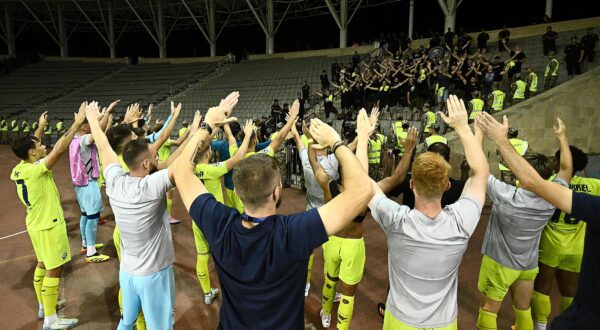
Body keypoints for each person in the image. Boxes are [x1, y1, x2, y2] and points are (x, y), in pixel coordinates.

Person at [172, 92, 373, 329]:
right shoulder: (295, 231)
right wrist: (337, 142)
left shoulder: (219, 224)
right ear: (277, 192)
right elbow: (362, 190)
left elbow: (181, 171)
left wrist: (206, 125)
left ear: (237, 192)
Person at [368, 95, 489, 329]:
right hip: (443, 323)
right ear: (446, 185)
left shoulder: (396, 220)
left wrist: (363, 137)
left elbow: (364, 185)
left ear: (413, 185)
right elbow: (480, 173)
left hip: (400, 320)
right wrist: (464, 128)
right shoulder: (461, 221)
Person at [476, 112, 600, 330]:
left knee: (488, 310)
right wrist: (562, 137)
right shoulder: (552, 197)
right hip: (528, 264)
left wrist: (479, 135)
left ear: (522, 173)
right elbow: (566, 169)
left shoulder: (507, 195)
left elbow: (478, 169)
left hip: (499, 263)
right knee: (523, 310)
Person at [87, 100, 187, 330]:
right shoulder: (149, 186)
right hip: (151, 270)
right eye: (132, 137)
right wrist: (203, 130)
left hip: (128, 263)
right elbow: (175, 165)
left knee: (127, 320)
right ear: (144, 162)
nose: (137, 137)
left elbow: (103, 146)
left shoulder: (114, 176)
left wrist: (93, 120)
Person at [10, 108, 87, 330]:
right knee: (56, 268)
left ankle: (44, 306)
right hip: (49, 225)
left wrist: (41, 127)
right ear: (32, 153)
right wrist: (76, 124)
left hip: (35, 224)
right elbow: (60, 150)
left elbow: (32, 146)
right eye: (40, 146)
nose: (44, 146)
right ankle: (51, 321)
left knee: (43, 264)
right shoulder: (36, 171)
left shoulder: (20, 168)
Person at [313, 109, 376, 330]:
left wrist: (312, 150)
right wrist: (363, 137)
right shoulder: (363, 193)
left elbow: (316, 168)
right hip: (353, 245)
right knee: (348, 293)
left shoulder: (330, 187)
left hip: (331, 241)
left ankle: (326, 314)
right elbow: (362, 173)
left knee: (329, 280)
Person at [532, 146, 600, 330]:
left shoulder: (551, 184)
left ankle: (539, 327)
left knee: (542, 287)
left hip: (550, 245)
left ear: (559, 163)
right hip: (576, 250)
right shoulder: (595, 185)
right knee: (571, 293)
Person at [193, 120, 254, 305]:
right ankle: (236, 289)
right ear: (208, 153)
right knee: (225, 255)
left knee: (202, 255)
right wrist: (248, 135)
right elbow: (238, 158)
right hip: (215, 220)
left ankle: (207, 292)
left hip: (196, 218)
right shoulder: (213, 170)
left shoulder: (190, 169)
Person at [289, 121, 340, 297]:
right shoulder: (334, 162)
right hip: (330, 214)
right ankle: (330, 292)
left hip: (311, 211)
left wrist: (297, 130)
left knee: (309, 249)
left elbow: (298, 141)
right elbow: (349, 148)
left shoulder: (306, 159)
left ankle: (306, 284)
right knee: (330, 254)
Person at [69, 100, 118, 263]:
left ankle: (85, 244)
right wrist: (99, 118)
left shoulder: (74, 139)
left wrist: (107, 113)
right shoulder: (83, 140)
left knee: (85, 214)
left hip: (80, 184)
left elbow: (99, 131)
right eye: (89, 124)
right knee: (93, 217)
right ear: (84, 126)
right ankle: (91, 252)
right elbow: (99, 133)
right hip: (88, 183)